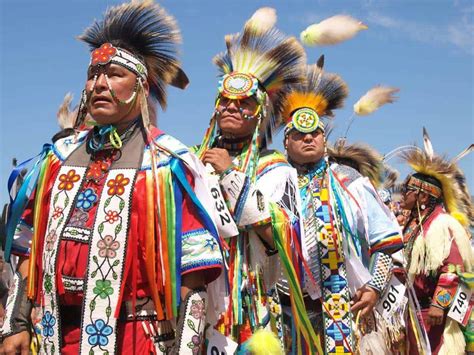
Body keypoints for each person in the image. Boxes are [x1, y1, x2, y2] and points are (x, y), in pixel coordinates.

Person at [0, 1, 223, 354]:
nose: (100, 84)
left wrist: (186, 347)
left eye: (115, 74)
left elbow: (193, 269)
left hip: (137, 338)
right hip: (58, 338)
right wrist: (16, 322)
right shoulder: (56, 160)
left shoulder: (166, 165)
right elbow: (27, 244)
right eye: (93, 74)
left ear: (142, 86)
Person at [193, 7, 319, 352]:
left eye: (244, 103)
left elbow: (284, 233)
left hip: (250, 298)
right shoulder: (191, 159)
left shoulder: (275, 166)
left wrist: (232, 178)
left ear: (259, 112)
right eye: (226, 101)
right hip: (196, 294)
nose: (232, 108)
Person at [280, 59, 404, 354]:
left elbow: (387, 244)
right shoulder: (274, 182)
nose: (308, 138)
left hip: (343, 307)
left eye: (316, 133)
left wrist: (374, 286)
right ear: (286, 142)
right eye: (299, 134)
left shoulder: (350, 181)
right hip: (284, 307)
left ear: (324, 139)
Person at [399, 129, 473, 354]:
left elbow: (452, 267)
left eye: (407, 190)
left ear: (423, 196)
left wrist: (439, 304)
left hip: (432, 311)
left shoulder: (443, 224)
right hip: (411, 308)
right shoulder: (411, 225)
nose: (402, 194)